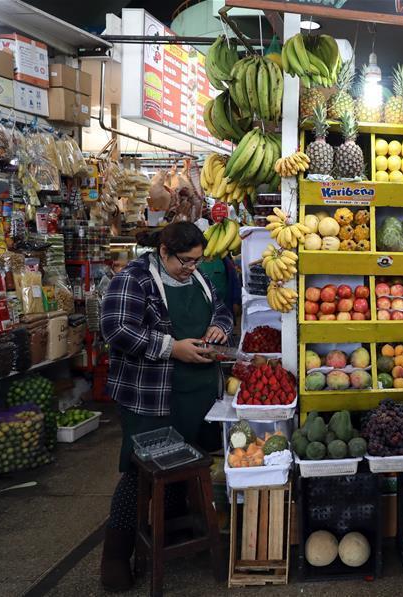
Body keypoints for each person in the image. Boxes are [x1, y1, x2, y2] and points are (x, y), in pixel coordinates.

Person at [99, 222, 233, 591]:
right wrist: (171, 347)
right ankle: (115, 556)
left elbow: (221, 309)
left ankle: (169, 533)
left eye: (197, 261)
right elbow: (116, 329)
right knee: (141, 472)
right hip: (151, 398)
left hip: (198, 393)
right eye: (185, 261)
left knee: (186, 465)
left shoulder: (199, 277)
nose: (192, 268)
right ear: (163, 252)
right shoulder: (134, 279)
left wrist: (220, 329)